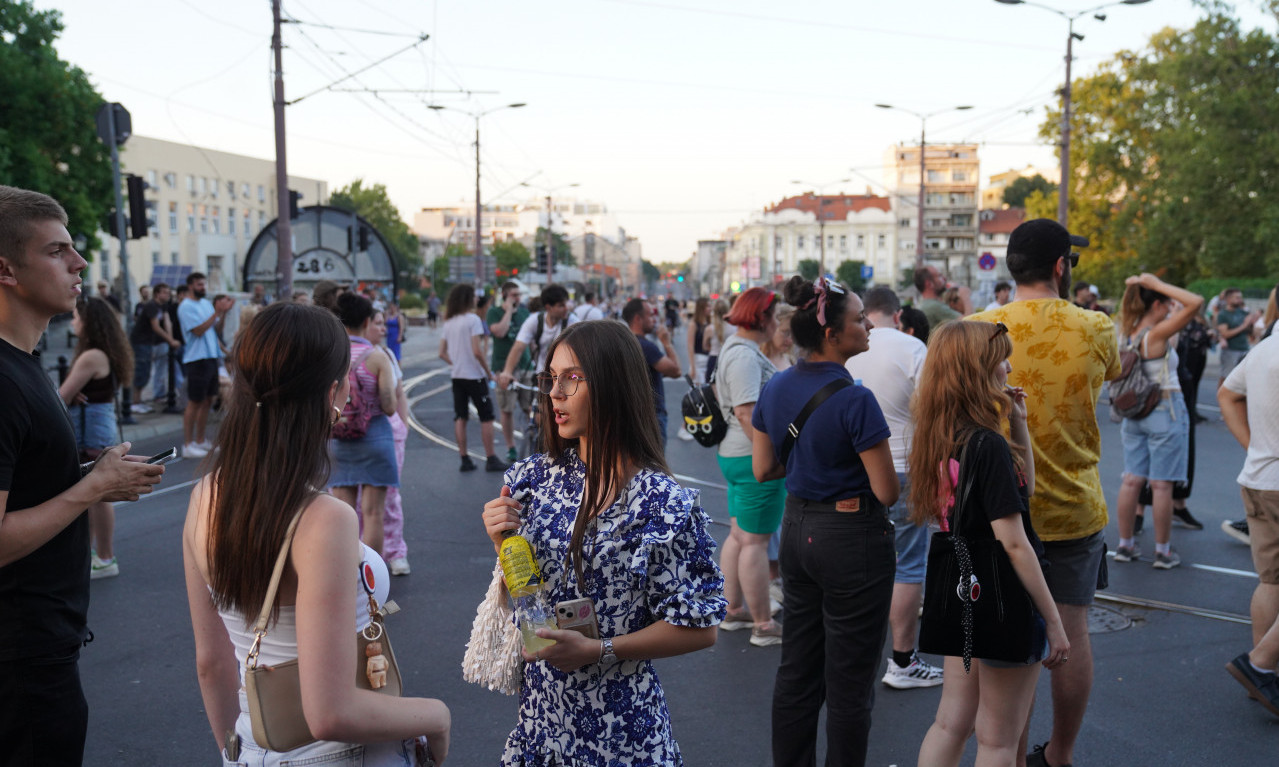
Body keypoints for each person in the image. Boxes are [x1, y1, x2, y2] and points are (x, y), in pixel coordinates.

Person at [182, 302, 451, 765]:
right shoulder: (324, 519)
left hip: (251, 745)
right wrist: (437, 716)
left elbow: (211, 662)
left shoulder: (204, 496)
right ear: (333, 393)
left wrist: (236, 750)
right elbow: (330, 713)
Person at [481, 320, 725, 765]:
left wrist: (599, 650)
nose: (555, 393)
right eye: (551, 378)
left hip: (622, 734)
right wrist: (504, 545)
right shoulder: (534, 480)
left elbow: (700, 626)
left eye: (572, 378)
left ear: (613, 384)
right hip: (541, 723)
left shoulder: (660, 501)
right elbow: (533, 608)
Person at [0, 185, 164, 765]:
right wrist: (94, 487)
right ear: (5, 270)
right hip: (22, 660)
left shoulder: (24, 365)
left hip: (40, 648)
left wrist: (92, 473)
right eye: (56, 250)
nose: (80, 262)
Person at [969, 218, 1120, 767]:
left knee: (1010, 644)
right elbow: (1111, 375)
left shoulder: (976, 328)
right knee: (1071, 633)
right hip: (1074, 506)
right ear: (1061, 266)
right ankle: (1060, 755)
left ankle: (1006, 754)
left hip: (997, 509)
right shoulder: (1096, 327)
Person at [752, 275, 899, 767]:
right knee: (850, 683)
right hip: (852, 538)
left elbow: (763, 469)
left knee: (797, 671)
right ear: (832, 335)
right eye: (859, 319)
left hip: (797, 530)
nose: (869, 326)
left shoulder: (775, 386)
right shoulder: (856, 399)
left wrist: (811, 461)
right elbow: (887, 491)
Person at [911, 320, 1070, 767]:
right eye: (1002, 358)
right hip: (1004, 595)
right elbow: (1015, 543)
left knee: (951, 723)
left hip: (964, 588)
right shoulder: (987, 445)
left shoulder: (941, 433)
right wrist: (1053, 620)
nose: (1009, 367)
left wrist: (1018, 422)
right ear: (979, 369)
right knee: (999, 740)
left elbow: (1025, 488)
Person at [847, 286, 943, 690]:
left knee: (858, 561)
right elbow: (933, 410)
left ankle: (854, 654)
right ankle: (902, 661)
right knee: (907, 564)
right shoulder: (912, 348)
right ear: (898, 314)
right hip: (904, 466)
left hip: (852, 470)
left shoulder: (846, 344)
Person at [1111, 274, 1203, 570]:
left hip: (1133, 411)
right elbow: (1196, 302)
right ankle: (1163, 552)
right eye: (1167, 303)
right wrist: (1158, 284)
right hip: (1163, 408)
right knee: (1162, 485)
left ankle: (1125, 545)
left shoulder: (1126, 332)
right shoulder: (1157, 333)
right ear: (1157, 304)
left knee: (1131, 479)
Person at [714, 287, 785, 647]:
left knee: (740, 535)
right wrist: (767, 457)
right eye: (775, 315)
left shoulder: (736, 348)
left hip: (736, 455)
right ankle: (763, 625)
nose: (778, 323)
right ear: (762, 317)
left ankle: (734, 609)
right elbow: (746, 412)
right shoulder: (744, 355)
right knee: (755, 542)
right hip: (750, 458)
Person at [1218, 332, 1279, 717]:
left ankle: (1263, 679)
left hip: (1258, 478)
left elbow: (1226, 394)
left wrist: (1254, 448)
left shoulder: (1265, 348)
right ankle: (1259, 663)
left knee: (1271, 580)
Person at [59, 295, 134, 580]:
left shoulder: (91, 356)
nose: (73, 322)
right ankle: (97, 555)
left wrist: (67, 394)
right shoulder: (104, 352)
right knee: (95, 496)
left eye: (76, 317)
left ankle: (104, 557)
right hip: (100, 428)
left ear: (88, 322)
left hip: (90, 432)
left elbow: (61, 397)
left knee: (98, 497)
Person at [330, 293, 399, 554]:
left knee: (343, 515)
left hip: (338, 437)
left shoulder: (331, 355)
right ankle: (372, 575)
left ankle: (345, 570)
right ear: (367, 321)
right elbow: (390, 407)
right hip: (375, 438)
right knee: (373, 514)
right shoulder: (377, 357)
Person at [440, 284, 504, 473]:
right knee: (486, 417)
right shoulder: (473, 320)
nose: (477, 299)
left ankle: (464, 458)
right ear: (467, 299)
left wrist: (456, 362)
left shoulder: (449, 322)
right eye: (474, 296)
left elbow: (441, 352)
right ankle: (491, 457)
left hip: (457, 376)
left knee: (461, 416)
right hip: (475, 376)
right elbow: (477, 351)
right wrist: (489, 373)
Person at [178, 272, 231, 459]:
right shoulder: (185, 306)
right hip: (197, 359)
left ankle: (200, 441)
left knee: (209, 400)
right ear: (191, 286)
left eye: (204, 284)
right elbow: (199, 331)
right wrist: (216, 312)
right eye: (199, 285)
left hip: (211, 357)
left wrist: (223, 313)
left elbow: (214, 330)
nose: (203, 288)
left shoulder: (206, 304)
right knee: (195, 401)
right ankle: (188, 444)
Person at [622, 298, 681, 447]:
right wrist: (666, 342)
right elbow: (676, 370)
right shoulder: (646, 346)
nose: (654, 320)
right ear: (638, 318)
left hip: (633, 415)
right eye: (650, 315)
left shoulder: (624, 343)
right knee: (655, 459)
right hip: (652, 416)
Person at [498, 284, 575, 391]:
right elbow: (518, 347)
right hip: (544, 376)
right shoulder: (535, 321)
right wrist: (507, 372)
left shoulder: (573, 322)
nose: (566, 308)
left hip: (567, 376)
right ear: (548, 307)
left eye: (566, 304)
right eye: (561, 305)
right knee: (539, 400)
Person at [488, 282, 532, 462]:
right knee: (507, 409)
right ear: (505, 296)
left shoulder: (524, 313)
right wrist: (508, 312)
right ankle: (511, 447)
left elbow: (531, 340)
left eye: (519, 295)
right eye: (514, 295)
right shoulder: (494, 312)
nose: (518, 298)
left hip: (526, 366)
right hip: (503, 368)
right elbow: (499, 332)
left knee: (530, 407)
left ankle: (534, 442)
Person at [1217, 287, 1260, 387]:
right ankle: (1221, 396)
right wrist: (1243, 326)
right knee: (1226, 377)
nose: (1240, 300)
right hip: (1230, 351)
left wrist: (1252, 323)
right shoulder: (1223, 314)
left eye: (1240, 297)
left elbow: (1251, 332)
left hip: (1244, 349)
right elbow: (1225, 334)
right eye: (1237, 298)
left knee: (1243, 378)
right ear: (1228, 299)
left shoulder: (1242, 312)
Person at [706, 298, 731, 382]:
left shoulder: (710, 328)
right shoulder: (734, 328)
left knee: (711, 386)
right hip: (729, 359)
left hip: (714, 358)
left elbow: (705, 346)